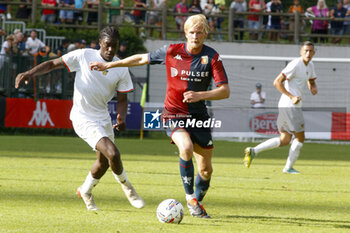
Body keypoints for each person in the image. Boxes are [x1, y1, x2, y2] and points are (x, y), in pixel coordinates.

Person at [89, 14, 230, 218]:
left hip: (199, 117)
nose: (196, 36)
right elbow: (140, 58)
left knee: (206, 170)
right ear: (185, 33)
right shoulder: (172, 51)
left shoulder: (212, 57)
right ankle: (190, 198)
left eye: (200, 32)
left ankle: (195, 202)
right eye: (192, 32)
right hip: (173, 114)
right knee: (186, 147)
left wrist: (201, 95)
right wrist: (109, 65)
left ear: (205, 33)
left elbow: (225, 91)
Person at [15, 26, 145, 211]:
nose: (110, 50)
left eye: (114, 46)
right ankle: (128, 188)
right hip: (82, 117)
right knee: (113, 153)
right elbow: (53, 64)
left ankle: (85, 190)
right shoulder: (84, 56)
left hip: (102, 117)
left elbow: (122, 99)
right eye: (107, 45)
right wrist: (30, 73)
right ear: (100, 43)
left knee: (104, 163)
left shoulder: (120, 67)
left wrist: (121, 117)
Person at [244, 41, 318, 174]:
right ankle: (288, 168)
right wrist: (291, 96)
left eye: (310, 51)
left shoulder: (310, 65)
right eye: (305, 51)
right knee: (300, 137)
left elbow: (311, 80)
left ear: (314, 53)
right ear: (301, 52)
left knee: (285, 139)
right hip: (290, 105)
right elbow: (277, 82)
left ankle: (253, 151)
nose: (308, 53)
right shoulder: (295, 64)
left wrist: (313, 87)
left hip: (288, 106)